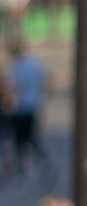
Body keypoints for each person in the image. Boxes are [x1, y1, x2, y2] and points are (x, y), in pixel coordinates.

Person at [9, 43, 52, 176]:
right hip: (35, 105)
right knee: (32, 136)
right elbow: (48, 81)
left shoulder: (17, 67)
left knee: (21, 138)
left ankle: (27, 166)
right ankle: (44, 159)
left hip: (21, 107)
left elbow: (13, 86)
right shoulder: (37, 65)